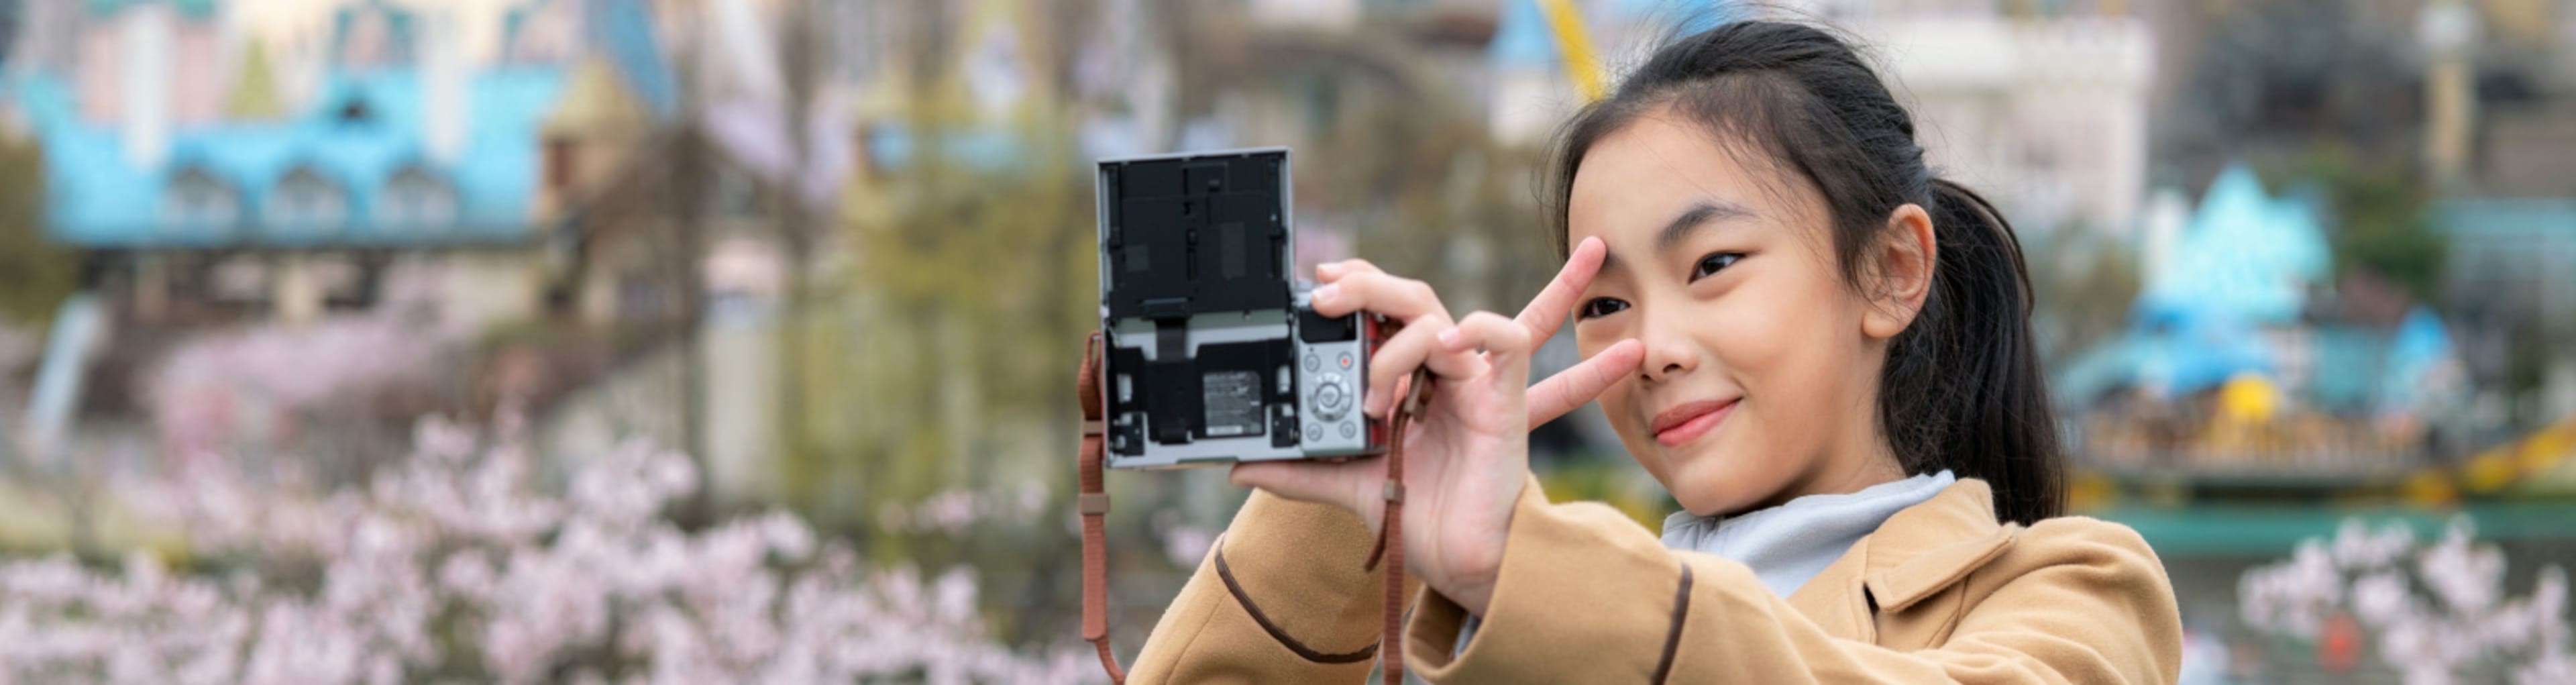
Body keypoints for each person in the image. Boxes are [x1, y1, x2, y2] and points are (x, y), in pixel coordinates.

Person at [1126, 19, 2181, 683]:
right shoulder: (1502, 609)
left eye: (1714, 263)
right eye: (1605, 303)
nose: (1655, 346)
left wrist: (1514, 563)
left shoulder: (2073, 590)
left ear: (1891, 271)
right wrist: (1340, 515)